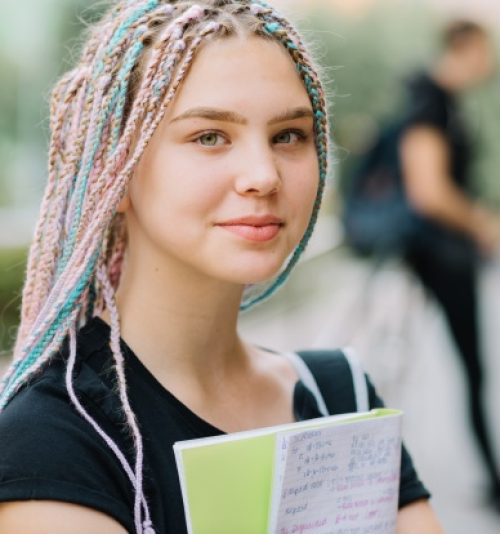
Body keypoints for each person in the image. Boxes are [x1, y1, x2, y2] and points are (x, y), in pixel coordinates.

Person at [0, 1, 443, 533]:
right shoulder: (53, 440)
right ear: (112, 171)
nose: (264, 175)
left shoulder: (339, 396)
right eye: (209, 136)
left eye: (289, 136)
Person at [399, 20, 500, 508]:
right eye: (486, 51)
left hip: (439, 252)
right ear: (464, 48)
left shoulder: (443, 101)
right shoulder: (429, 99)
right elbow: (428, 190)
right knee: (473, 365)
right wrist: (482, 223)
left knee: (473, 366)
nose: (490, 61)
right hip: (438, 253)